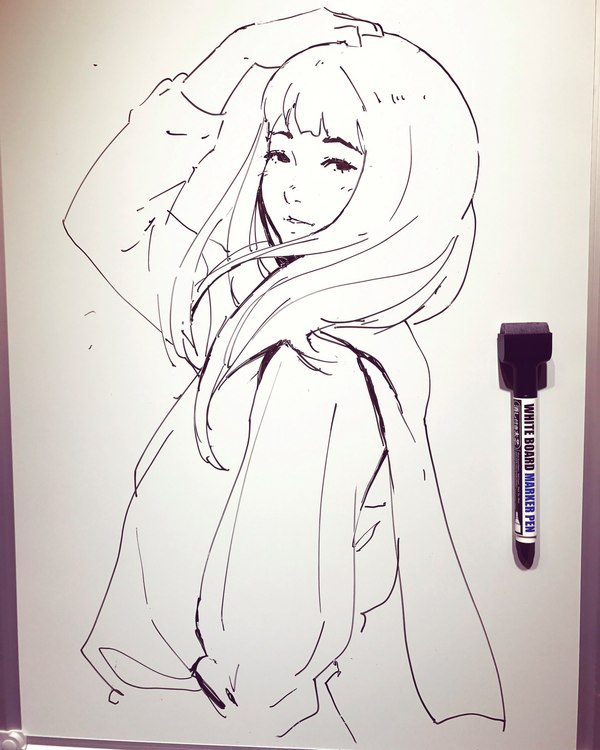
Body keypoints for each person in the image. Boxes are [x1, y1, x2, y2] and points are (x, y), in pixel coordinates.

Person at [64, 8, 505, 740]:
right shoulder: (257, 311)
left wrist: (207, 699)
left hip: (215, 719)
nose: (293, 188)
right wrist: (230, 62)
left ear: (405, 180)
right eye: (280, 153)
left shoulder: (324, 359)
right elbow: (104, 222)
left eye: (338, 162)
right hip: (197, 710)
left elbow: (267, 637)